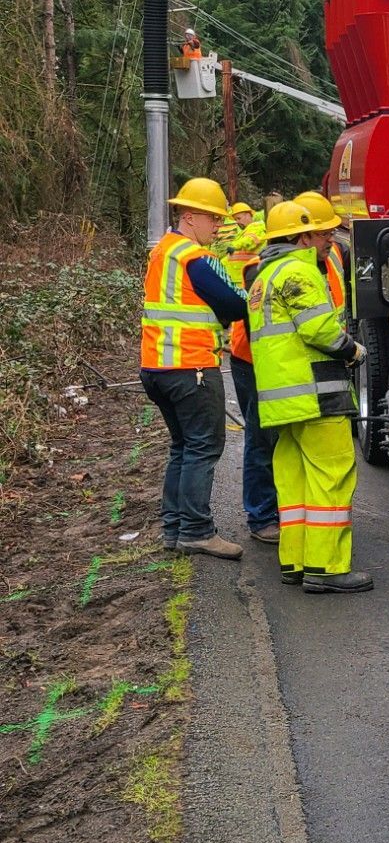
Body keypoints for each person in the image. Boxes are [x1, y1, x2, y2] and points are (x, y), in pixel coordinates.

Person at [248, 198, 372, 594]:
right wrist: (353, 350)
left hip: (282, 403)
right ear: (302, 237)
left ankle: (296, 562)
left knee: (294, 481)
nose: (328, 242)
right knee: (331, 477)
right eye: (323, 234)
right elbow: (319, 330)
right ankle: (327, 568)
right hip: (317, 396)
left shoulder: (263, 277)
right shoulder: (299, 271)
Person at [139, 177, 248, 559]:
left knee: (183, 447)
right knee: (202, 448)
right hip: (192, 367)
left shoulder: (163, 251)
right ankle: (197, 531)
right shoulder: (195, 258)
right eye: (213, 219)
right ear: (189, 217)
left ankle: (174, 529)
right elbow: (236, 304)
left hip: (157, 367)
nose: (218, 226)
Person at [216, 203, 278, 546]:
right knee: (260, 435)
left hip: (282, 362)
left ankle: (279, 510)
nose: (330, 239)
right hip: (252, 359)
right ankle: (262, 515)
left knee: (280, 436)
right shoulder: (260, 266)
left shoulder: (324, 261)